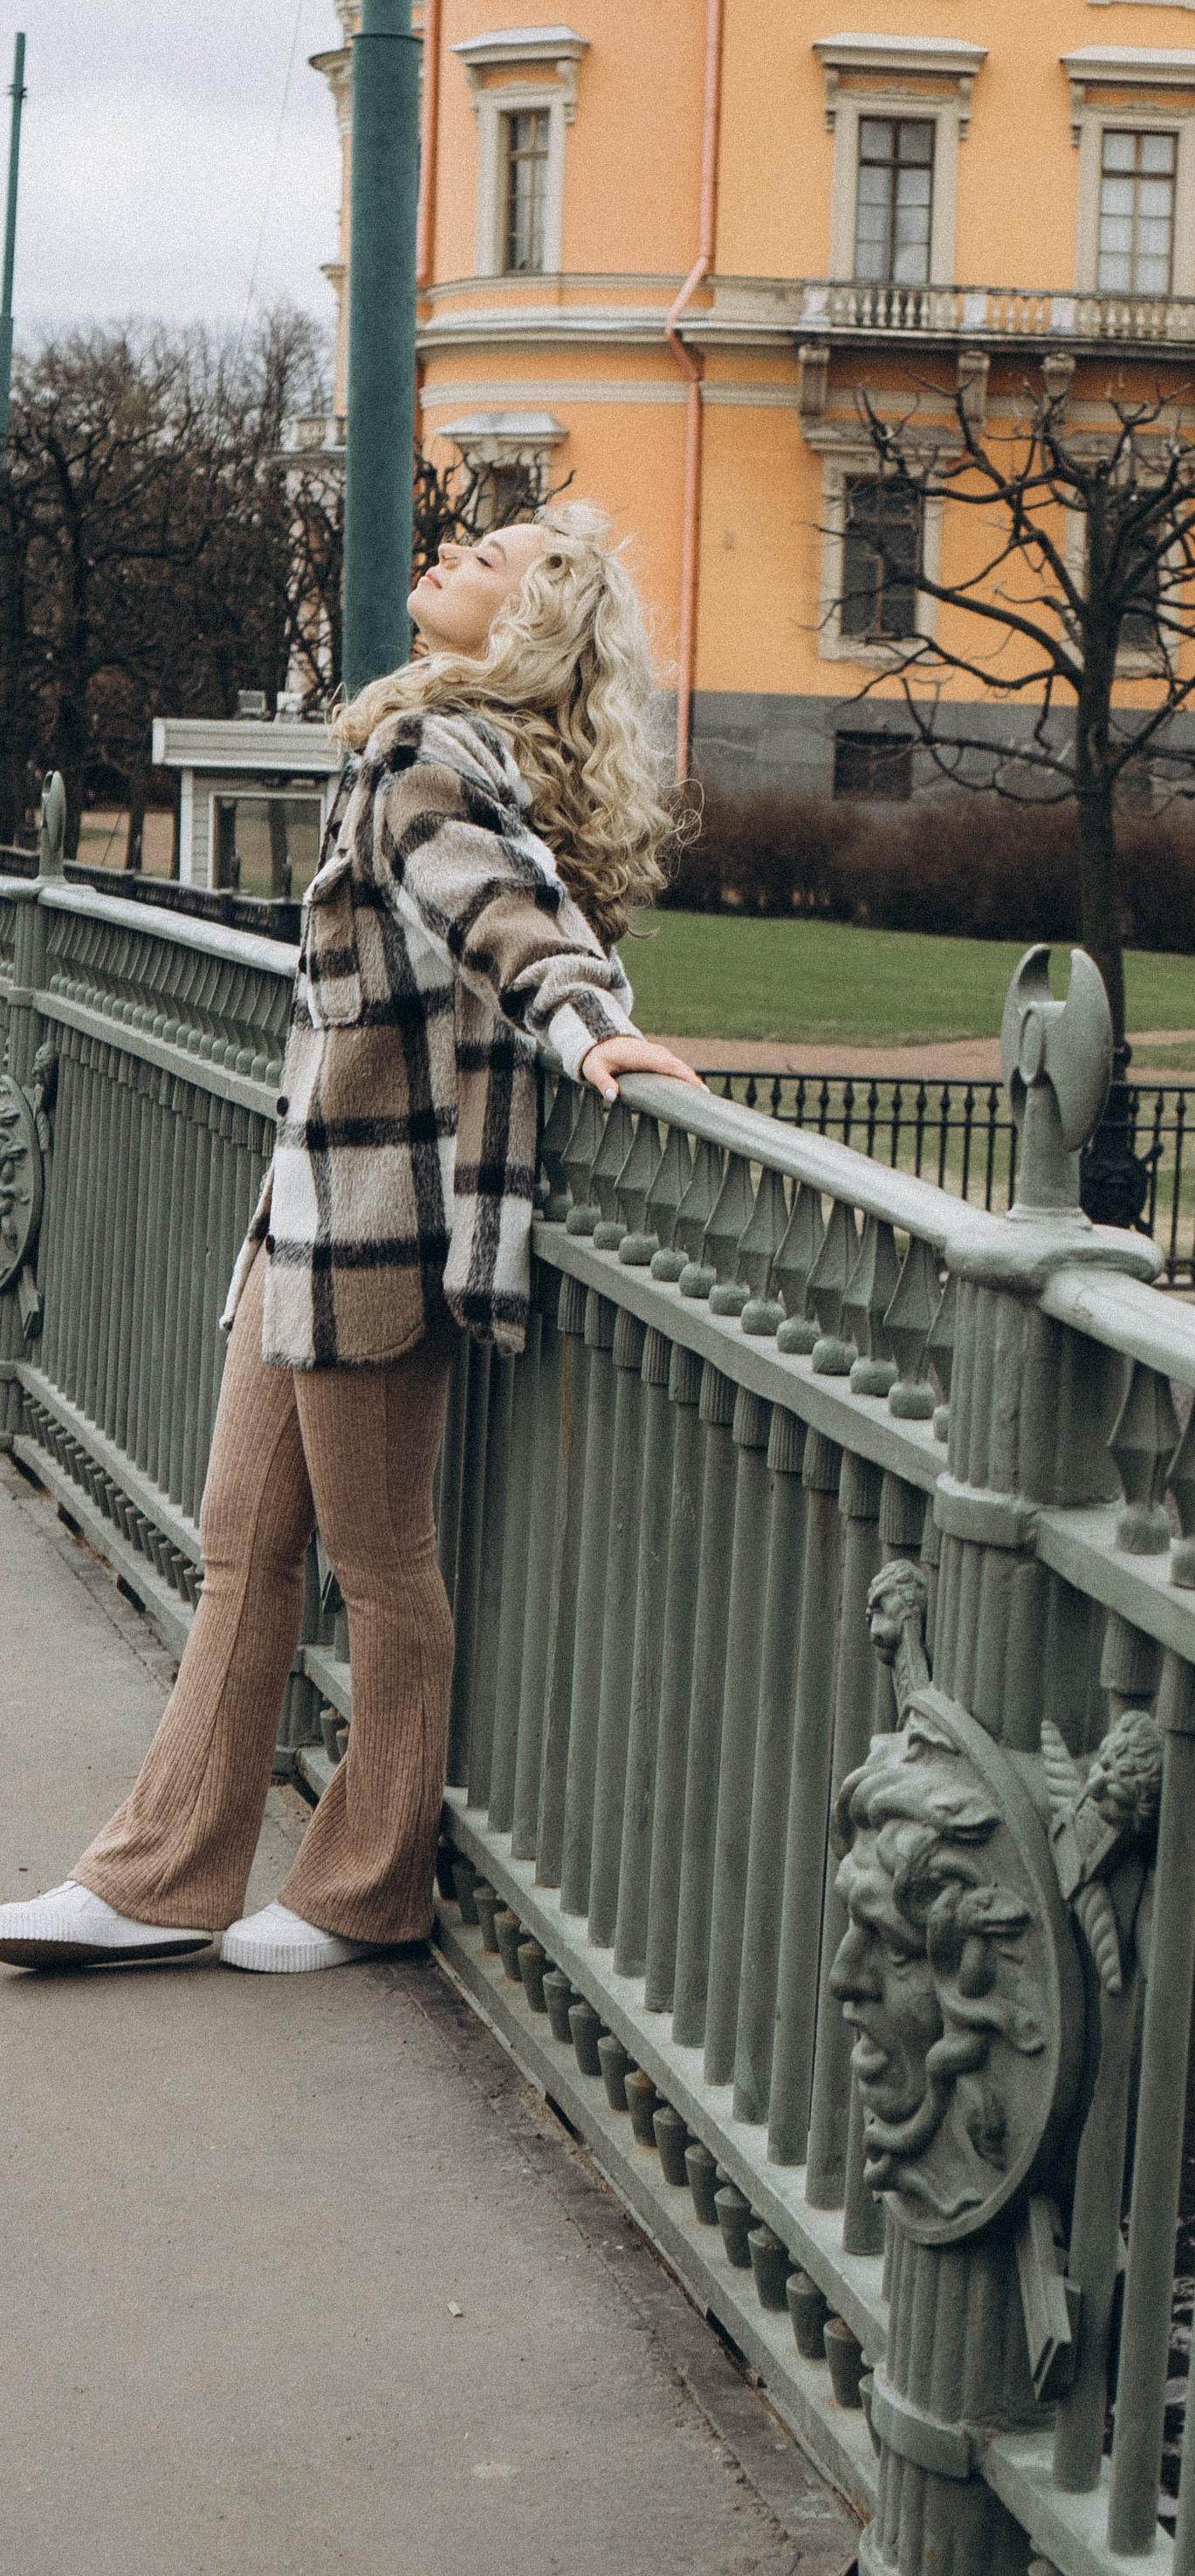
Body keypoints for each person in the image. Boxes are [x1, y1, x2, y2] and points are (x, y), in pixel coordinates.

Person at [0, 510, 699, 1977]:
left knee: (378, 1566)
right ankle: (160, 1880)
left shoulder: (429, 759)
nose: (450, 552)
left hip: (379, 1230)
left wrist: (596, 1036)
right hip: (311, 1217)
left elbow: (506, 923)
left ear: (533, 623)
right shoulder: (450, 750)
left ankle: (365, 1887)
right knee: (247, 1559)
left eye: (494, 556)